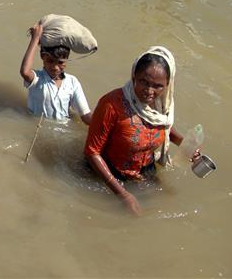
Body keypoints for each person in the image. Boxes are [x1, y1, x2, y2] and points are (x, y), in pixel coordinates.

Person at [85, 47, 201, 216]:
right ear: (134, 77)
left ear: (167, 85)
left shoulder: (162, 106)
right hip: (112, 174)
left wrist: (185, 144)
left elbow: (164, 128)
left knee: (171, 204)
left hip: (145, 170)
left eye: (157, 86)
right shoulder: (111, 105)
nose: (149, 91)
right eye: (144, 82)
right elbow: (91, 152)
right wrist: (122, 194)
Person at [19, 21, 92, 124]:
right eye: (50, 61)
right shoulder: (37, 79)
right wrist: (35, 38)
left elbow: (85, 115)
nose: (55, 67)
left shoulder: (72, 82)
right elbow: (25, 72)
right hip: (37, 131)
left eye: (61, 62)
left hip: (64, 131)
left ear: (67, 60)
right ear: (42, 57)